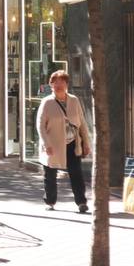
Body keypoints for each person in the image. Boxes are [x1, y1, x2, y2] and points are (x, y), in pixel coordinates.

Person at [36, 70, 90, 213]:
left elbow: (82, 123)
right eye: (55, 82)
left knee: (76, 173)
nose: (58, 85)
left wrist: (86, 142)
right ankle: (50, 201)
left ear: (67, 84)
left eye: (62, 82)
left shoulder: (74, 100)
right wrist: (46, 144)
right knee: (50, 174)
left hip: (72, 143)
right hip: (52, 145)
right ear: (51, 85)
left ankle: (81, 202)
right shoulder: (46, 102)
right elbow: (40, 125)